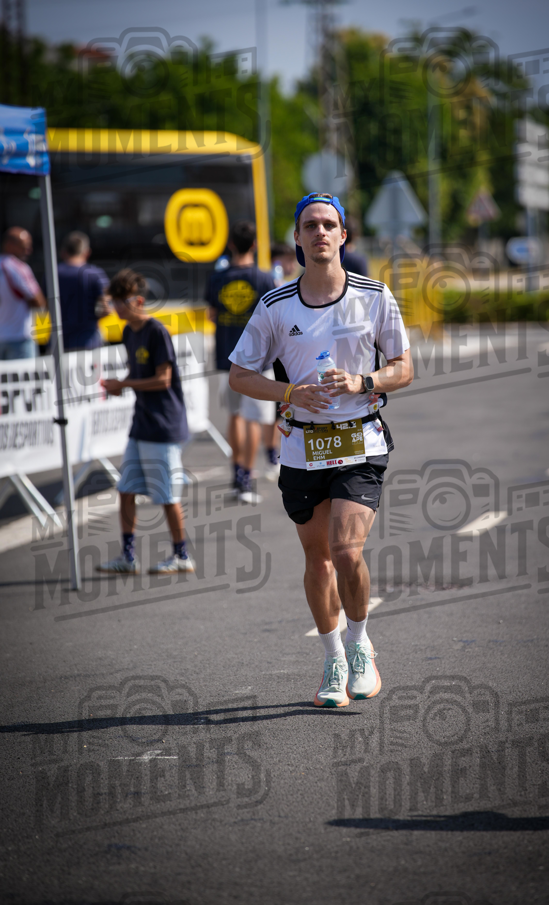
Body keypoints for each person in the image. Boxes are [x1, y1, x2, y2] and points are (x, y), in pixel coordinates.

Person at [229, 192, 413, 707]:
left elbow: (404, 366)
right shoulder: (275, 306)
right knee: (318, 561)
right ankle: (332, 657)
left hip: (360, 437)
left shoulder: (375, 296)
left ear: (344, 235)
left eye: (329, 225)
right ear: (297, 237)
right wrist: (289, 393)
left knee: (346, 550)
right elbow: (240, 375)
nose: (320, 233)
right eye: (310, 225)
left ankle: (359, 645)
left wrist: (364, 379)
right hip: (302, 446)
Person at [96, 269, 194, 575]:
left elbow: (163, 380)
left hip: (163, 426)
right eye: (114, 302)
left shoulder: (155, 331)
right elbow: (140, 376)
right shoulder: (128, 332)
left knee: (166, 496)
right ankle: (127, 557)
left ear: (139, 300)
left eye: (122, 302)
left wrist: (123, 386)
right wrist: (119, 383)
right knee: (126, 490)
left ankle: (182, 556)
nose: (117, 309)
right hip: (142, 424)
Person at [207, 221, 278, 500]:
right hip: (259, 362)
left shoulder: (217, 278)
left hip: (227, 359)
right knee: (253, 421)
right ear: (255, 246)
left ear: (231, 245)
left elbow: (212, 315)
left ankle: (237, 474)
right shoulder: (263, 279)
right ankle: (246, 479)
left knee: (234, 416)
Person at [57, 231, 110, 351]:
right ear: (87, 252)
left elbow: (44, 304)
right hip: (88, 340)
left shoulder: (53, 274)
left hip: (59, 341)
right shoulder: (95, 274)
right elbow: (106, 309)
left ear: (63, 252)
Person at [0, 227, 46, 360]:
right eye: (24, 247)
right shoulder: (18, 267)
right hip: (19, 337)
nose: (28, 251)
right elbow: (38, 301)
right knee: (26, 380)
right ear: (10, 245)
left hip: (3, 338)